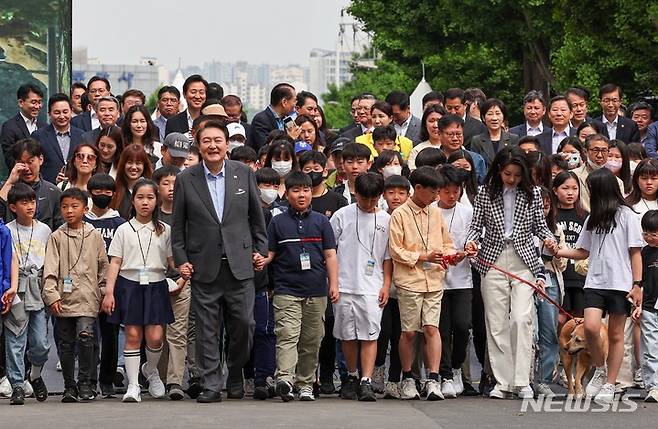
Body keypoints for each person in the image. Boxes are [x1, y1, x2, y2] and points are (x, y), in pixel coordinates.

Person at [171, 120, 268, 403]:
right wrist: (181, 260)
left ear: (227, 144)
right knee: (207, 331)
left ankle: (235, 371)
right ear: (198, 146)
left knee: (245, 325)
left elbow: (256, 218)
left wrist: (260, 250)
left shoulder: (243, 174)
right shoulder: (186, 178)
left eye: (218, 140)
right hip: (204, 267)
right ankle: (212, 384)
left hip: (240, 266)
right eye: (206, 141)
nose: (212, 146)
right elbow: (178, 227)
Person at [465, 146, 555, 399]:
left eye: (517, 174)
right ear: (498, 171)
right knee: (495, 322)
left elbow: (541, 225)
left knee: (521, 318)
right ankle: (502, 382)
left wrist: (550, 240)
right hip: (492, 259)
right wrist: (470, 243)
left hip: (524, 260)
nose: (512, 179)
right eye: (507, 174)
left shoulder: (533, 193)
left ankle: (522, 380)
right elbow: (475, 227)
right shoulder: (484, 192)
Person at [549, 168, 643, 404]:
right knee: (590, 327)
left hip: (621, 284)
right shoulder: (592, 218)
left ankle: (610, 383)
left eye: (591, 188)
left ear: (602, 190)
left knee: (615, 334)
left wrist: (637, 284)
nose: (587, 192)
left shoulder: (628, 216)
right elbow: (582, 251)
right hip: (594, 282)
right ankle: (600, 368)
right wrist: (558, 250)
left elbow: (635, 253)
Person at [261, 171, 338, 402]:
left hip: (316, 290)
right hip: (286, 290)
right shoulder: (277, 221)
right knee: (287, 336)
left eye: (305, 190)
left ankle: (305, 382)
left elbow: (330, 255)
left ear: (311, 193)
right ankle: (284, 379)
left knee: (312, 339)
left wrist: (333, 284)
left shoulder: (322, 222)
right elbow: (270, 253)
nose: (301, 195)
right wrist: (260, 260)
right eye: (296, 190)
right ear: (287, 194)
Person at [101, 180, 179, 403]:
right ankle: (133, 385)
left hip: (156, 285)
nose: (145, 202)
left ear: (157, 200)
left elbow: (173, 261)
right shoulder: (123, 229)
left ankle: (150, 370)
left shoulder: (165, 230)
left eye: (150, 198)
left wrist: (183, 272)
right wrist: (109, 292)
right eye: (140, 197)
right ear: (132, 200)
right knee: (133, 335)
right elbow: (115, 262)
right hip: (129, 285)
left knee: (155, 337)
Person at [388, 166, 457, 401]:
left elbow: (446, 242)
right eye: (433, 192)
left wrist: (452, 255)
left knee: (431, 328)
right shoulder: (399, 214)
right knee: (408, 332)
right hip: (409, 280)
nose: (436, 196)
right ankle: (408, 377)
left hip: (435, 279)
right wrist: (422, 257)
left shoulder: (436, 213)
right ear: (417, 189)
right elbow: (395, 250)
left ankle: (433, 379)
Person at [42, 188, 109, 402]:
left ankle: (85, 382)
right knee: (65, 343)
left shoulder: (94, 235)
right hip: (63, 299)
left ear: (85, 209)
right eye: (64, 207)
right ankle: (69, 386)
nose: (69, 211)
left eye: (74, 206)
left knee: (86, 338)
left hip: (89, 297)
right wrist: (52, 295)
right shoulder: (56, 237)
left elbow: (103, 266)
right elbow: (50, 269)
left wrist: (103, 289)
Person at [330, 173, 392, 402]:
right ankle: (352, 376)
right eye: (363, 199)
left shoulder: (386, 220)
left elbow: (387, 256)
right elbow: (330, 250)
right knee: (347, 334)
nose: (367, 204)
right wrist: (333, 282)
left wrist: (386, 284)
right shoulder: (341, 215)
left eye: (373, 200)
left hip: (372, 286)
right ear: (355, 193)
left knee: (369, 334)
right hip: (345, 284)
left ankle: (366, 379)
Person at [3, 183, 50, 405]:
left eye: (32, 201)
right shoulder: (7, 230)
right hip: (15, 286)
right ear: (13, 207)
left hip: (37, 287)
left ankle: (36, 374)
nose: (30, 206)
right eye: (24, 203)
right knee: (15, 339)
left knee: (40, 342)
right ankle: (17, 385)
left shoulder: (44, 230)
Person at [83, 173, 126, 397]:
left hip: (114, 289)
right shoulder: (83, 222)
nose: (102, 195)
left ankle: (107, 380)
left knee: (110, 337)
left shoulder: (120, 224)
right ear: (90, 193)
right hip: (86, 288)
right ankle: (88, 381)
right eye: (97, 191)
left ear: (114, 194)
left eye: (107, 192)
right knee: (88, 336)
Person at [373, 174, 411, 398]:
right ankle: (377, 369)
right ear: (384, 195)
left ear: (408, 195)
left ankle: (395, 379)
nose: (396, 197)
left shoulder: (411, 219)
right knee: (382, 331)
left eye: (401, 193)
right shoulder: (380, 218)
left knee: (402, 333)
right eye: (391, 192)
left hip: (406, 285)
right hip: (380, 283)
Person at [533, 188, 566, 397]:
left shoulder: (556, 229)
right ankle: (525, 379)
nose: (542, 211)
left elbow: (562, 264)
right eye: (538, 206)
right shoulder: (523, 227)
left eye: (546, 207)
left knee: (548, 333)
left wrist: (555, 251)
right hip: (527, 280)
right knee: (529, 332)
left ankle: (544, 380)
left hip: (551, 280)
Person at [0, 138, 63, 231]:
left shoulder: (54, 192)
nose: (26, 168)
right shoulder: (4, 188)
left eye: (30, 162)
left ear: (40, 159)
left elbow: (60, 228)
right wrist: (9, 182)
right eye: (21, 163)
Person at [553, 171, 588, 322]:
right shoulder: (551, 215)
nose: (570, 193)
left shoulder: (585, 216)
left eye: (574, 188)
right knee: (560, 318)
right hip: (560, 274)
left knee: (578, 317)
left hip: (580, 276)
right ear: (555, 190)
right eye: (565, 188)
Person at [31, 93, 84, 184]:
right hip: (47, 189)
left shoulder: (82, 135)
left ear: (71, 111)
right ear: (49, 114)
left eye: (65, 112)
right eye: (57, 112)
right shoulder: (38, 136)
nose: (62, 116)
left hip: (75, 188)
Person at [573, 134, 625, 211]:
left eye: (604, 151)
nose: (600, 155)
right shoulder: (573, 176)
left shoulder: (617, 182)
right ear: (585, 151)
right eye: (595, 150)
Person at [1, 83, 46, 172]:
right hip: (20, 179)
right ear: (21, 103)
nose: (37, 106)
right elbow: (10, 159)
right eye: (33, 102)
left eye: (39, 102)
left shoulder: (44, 126)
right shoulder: (9, 126)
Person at [639, 210, 658, 402]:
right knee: (650, 347)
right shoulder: (644, 252)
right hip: (649, 306)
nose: (649, 237)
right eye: (646, 232)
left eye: (654, 233)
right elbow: (640, 280)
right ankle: (653, 386)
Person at [469, 98, 520, 167]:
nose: (494, 118)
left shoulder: (513, 139)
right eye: (490, 114)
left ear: (503, 117)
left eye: (498, 113)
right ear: (483, 118)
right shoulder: (477, 141)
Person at [111, 144, 154, 220]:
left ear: (144, 166)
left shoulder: (153, 190)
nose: (134, 167)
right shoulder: (114, 190)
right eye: (130, 162)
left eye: (138, 163)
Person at [252, 83, 297, 150]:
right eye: (294, 101)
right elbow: (265, 148)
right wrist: (289, 139)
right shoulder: (261, 120)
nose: (295, 104)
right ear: (284, 102)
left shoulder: (287, 119)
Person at [165, 75, 208, 139]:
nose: (197, 96)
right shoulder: (173, 122)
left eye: (201, 92)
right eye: (193, 92)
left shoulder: (210, 120)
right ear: (184, 94)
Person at [407, 104, 445, 170]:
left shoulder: (454, 146)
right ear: (425, 124)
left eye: (439, 121)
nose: (435, 125)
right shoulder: (417, 150)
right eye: (431, 121)